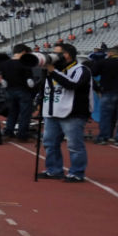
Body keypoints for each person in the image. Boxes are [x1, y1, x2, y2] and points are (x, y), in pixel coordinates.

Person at [38, 42, 90, 183]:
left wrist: (53, 71)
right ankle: (54, 170)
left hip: (72, 113)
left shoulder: (81, 70)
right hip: (51, 111)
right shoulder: (51, 70)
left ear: (68, 55)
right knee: (49, 143)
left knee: (74, 145)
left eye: (58, 53)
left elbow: (72, 85)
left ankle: (77, 173)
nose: (54, 56)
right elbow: (43, 87)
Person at [0, 44, 40, 141]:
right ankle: (22, 135)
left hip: (10, 91)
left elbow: (4, 82)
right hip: (23, 92)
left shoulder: (5, 64)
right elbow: (30, 83)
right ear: (23, 52)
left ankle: (8, 132)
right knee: (25, 114)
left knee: (12, 113)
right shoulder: (25, 64)